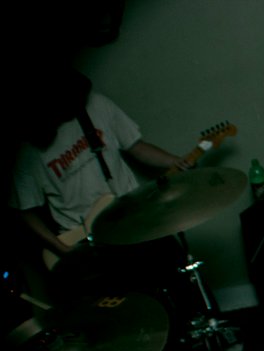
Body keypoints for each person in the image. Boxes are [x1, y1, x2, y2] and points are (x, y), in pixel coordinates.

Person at [9, 66, 194, 305]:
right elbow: (26, 210)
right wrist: (61, 249)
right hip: (90, 244)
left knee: (176, 279)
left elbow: (135, 146)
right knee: (129, 309)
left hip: (134, 217)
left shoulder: (96, 105)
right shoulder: (27, 150)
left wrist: (176, 162)